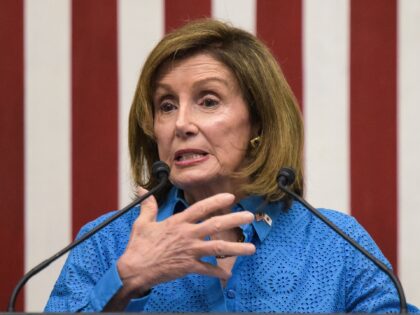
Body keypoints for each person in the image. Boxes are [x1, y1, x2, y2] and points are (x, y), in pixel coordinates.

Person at [45, 19, 418, 313]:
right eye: (166, 105)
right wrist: (126, 281)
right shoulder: (107, 242)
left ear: (258, 121)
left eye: (208, 101)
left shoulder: (333, 243)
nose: (181, 124)